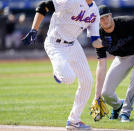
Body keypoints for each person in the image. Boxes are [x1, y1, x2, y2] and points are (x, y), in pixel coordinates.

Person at [22, 0, 101, 130]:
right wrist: (33, 29)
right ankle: (58, 72)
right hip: (55, 43)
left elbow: (95, 41)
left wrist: (105, 43)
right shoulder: (71, 1)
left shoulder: (95, 11)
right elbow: (44, 6)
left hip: (73, 44)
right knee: (69, 78)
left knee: (87, 81)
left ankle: (74, 121)